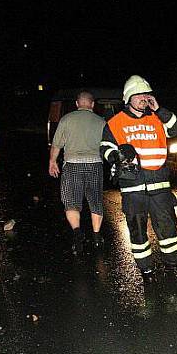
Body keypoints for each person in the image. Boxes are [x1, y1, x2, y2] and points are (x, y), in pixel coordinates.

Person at [100, 75, 177, 276]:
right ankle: (146, 268)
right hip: (133, 186)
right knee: (137, 229)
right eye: (139, 95)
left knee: (168, 226)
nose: (144, 98)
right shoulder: (116, 122)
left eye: (146, 94)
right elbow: (105, 147)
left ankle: (174, 261)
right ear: (128, 98)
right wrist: (117, 157)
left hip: (159, 183)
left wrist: (158, 109)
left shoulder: (157, 118)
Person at [49, 90, 106, 254]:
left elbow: (57, 144)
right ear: (92, 104)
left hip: (72, 165)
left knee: (71, 202)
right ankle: (96, 237)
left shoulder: (66, 119)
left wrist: (52, 162)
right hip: (95, 165)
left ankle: (77, 234)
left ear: (76, 104)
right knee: (95, 202)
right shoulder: (100, 121)